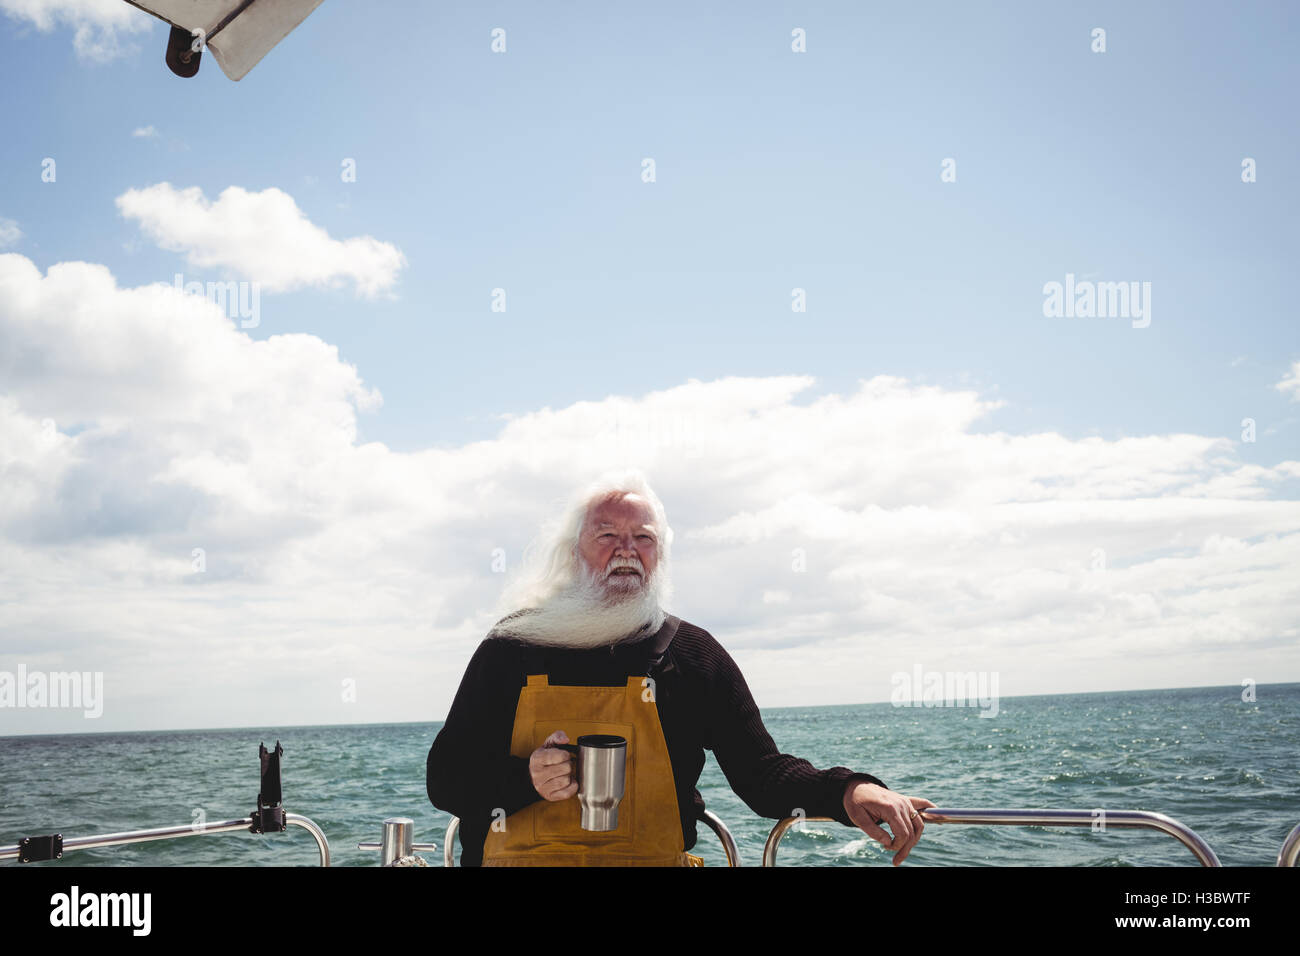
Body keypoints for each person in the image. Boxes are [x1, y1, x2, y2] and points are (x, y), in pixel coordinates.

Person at [426, 469, 934, 865]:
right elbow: (444, 780)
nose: (626, 550)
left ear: (660, 554)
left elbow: (762, 776)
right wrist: (526, 780)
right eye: (606, 535)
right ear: (574, 553)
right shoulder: (513, 646)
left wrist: (850, 789)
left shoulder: (692, 654)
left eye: (643, 538)